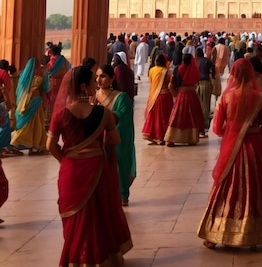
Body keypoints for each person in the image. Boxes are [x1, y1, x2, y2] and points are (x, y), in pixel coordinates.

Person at [197, 58, 262, 250]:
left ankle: (216, 234)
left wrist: (234, 130)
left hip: (232, 152)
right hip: (256, 149)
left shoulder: (226, 98)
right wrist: (251, 127)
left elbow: (217, 128)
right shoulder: (259, 97)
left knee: (227, 189)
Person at [46, 66, 132, 265]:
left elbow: (50, 145)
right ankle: (100, 258)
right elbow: (114, 140)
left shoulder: (60, 115)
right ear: (84, 87)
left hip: (71, 173)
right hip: (97, 169)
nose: (97, 83)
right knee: (98, 214)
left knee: (76, 219)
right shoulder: (103, 114)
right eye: (94, 80)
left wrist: (66, 160)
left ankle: (77, 258)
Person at [94, 64, 136, 207]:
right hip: (98, 140)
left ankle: (122, 194)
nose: (99, 80)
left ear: (112, 79)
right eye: (97, 76)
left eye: (103, 76)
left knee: (119, 163)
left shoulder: (121, 97)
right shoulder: (92, 97)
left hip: (116, 139)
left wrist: (100, 111)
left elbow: (123, 119)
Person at [11, 57, 49, 155]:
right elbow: (45, 88)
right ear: (36, 67)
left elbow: (20, 91)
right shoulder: (38, 79)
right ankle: (33, 147)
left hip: (24, 104)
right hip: (35, 103)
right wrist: (45, 72)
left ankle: (19, 144)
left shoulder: (23, 78)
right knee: (37, 126)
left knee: (28, 125)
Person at [164, 53, 204, 146]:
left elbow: (171, 84)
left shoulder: (178, 69)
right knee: (192, 117)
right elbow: (196, 82)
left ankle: (171, 139)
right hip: (192, 96)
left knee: (176, 117)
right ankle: (191, 138)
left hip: (181, 95)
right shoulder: (194, 70)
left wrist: (175, 95)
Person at [141, 53, 173, 145]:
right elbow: (170, 83)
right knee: (164, 117)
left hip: (153, 95)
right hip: (165, 96)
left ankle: (153, 135)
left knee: (155, 117)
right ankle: (163, 137)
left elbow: (151, 82)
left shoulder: (151, 70)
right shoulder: (167, 72)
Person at [195, 46, 215, 137]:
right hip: (206, 83)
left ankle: (198, 126)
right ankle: (204, 126)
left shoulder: (195, 62)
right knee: (205, 105)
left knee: (197, 105)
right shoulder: (207, 61)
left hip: (197, 84)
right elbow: (213, 68)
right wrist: (213, 76)